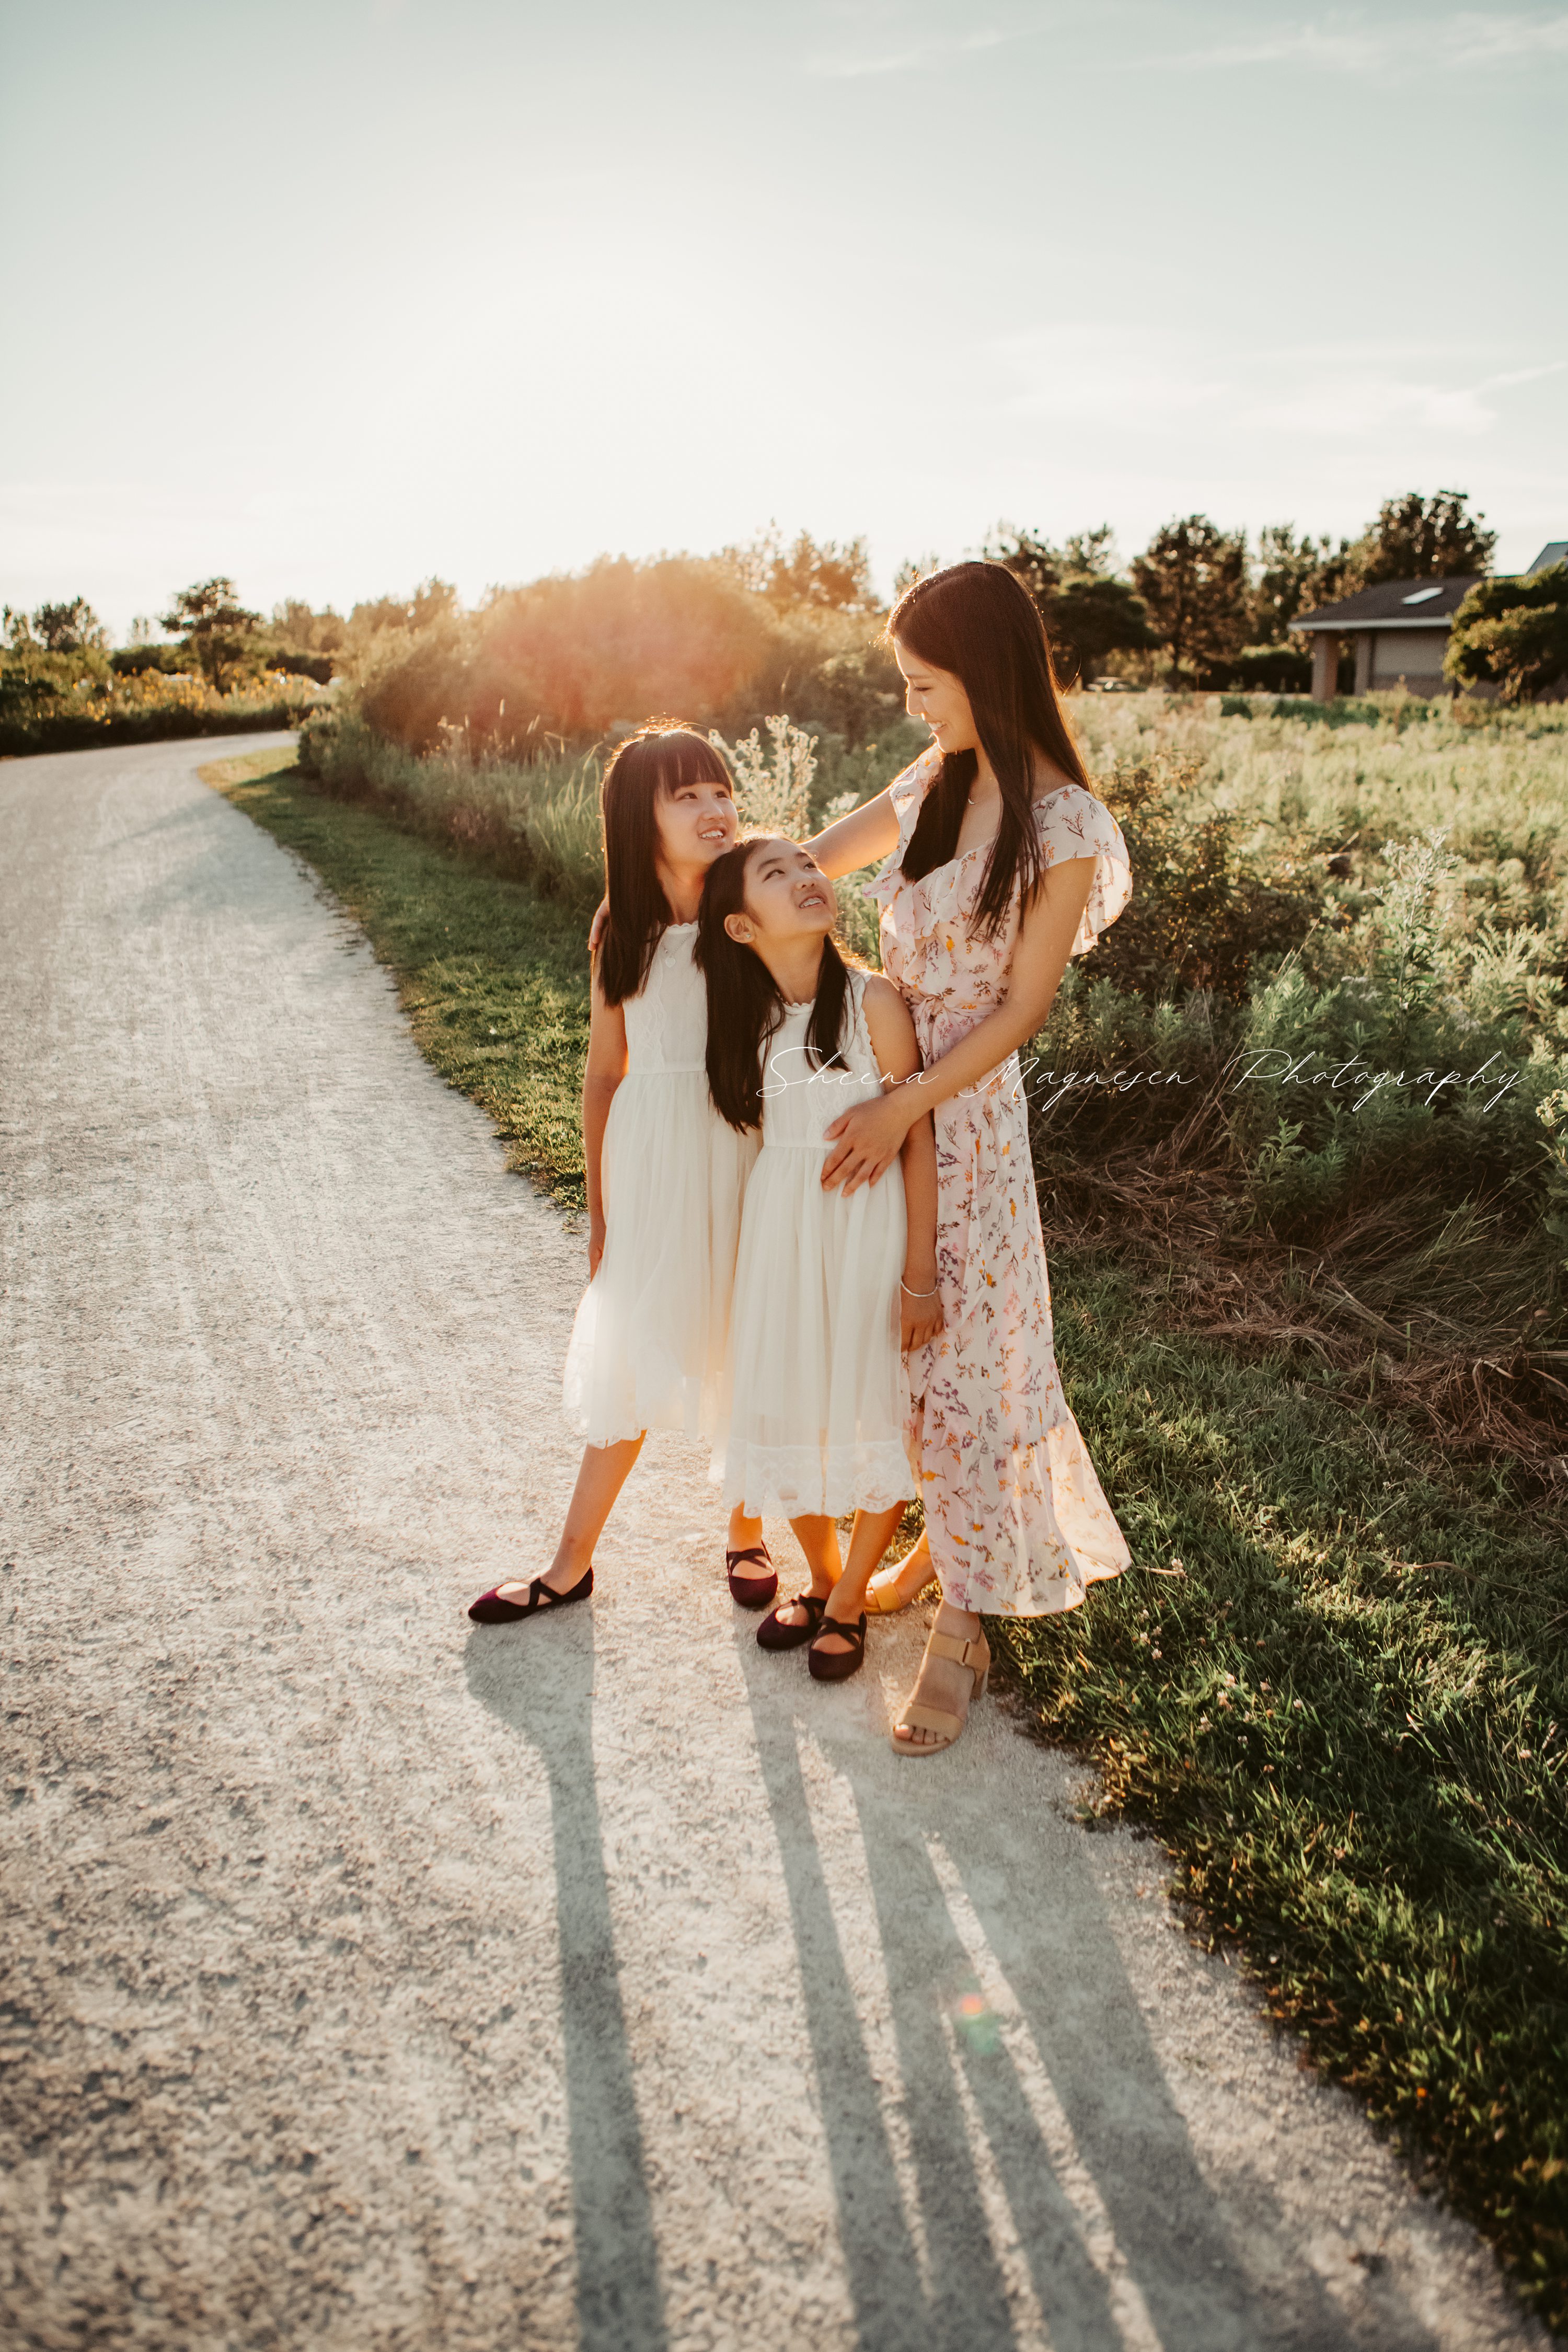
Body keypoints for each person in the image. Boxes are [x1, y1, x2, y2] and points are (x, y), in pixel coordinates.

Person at [802, 560, 1134, 1753]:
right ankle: (932, 1538)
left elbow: (1018, 1015)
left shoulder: (1064, 825)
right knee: (879, 1329)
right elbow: (810, 864)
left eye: (924, 684)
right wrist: (689, 889)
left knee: (969, 1355)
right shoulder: (934, 779)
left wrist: (907, 1109)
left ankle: (965, 1625)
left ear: (985, 675)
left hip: (967, 1114)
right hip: (870, 1081)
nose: (912, 706)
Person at [468, 723, 770, 1625]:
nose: (714, 808)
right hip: (654, 1155)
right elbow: (605, 1074)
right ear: (640, 820)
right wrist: (600, 1210)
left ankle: (747, 1529)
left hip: (750, 1144)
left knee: (746, 1327)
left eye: (720, 790)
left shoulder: (752, 903)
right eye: (687, 796)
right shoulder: (624, 932)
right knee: (636, 1344)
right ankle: (571, 1560)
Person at [696, 834, 942, 1682]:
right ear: (738, 927)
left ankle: (846, 1608)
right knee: (788, 1398)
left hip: (867, 1233)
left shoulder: (872, 999)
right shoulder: (748, 1022)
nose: (808, 877)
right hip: (783, 1238)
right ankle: (823, 1575)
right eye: (779, 874)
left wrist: (920, 1274)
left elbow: (918, 1136)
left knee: (870, 1397)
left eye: (809, 866)